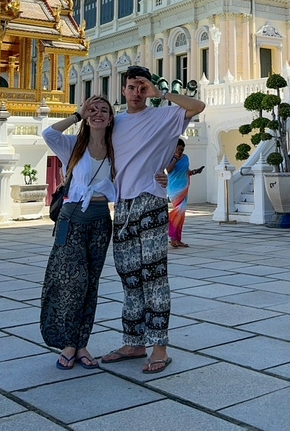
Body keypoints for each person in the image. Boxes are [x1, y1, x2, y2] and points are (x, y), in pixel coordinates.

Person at [102, 66, 205, 374]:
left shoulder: (163, 116)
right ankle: (134, 341)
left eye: (142, 87)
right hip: (122, 206)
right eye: (132, 86)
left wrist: (161, 93)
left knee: (154, 276)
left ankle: (159, 347)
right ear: (123, 90)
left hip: (150, 201)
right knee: (129, 276)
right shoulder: (114, 123)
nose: (137, 92)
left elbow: (198, 106)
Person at [40, 96, 116, 370]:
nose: (98, 114)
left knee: (90, 284)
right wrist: (76, 115)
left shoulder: (114, 147)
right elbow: (48, 133)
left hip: (100, 221)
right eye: (92, 110)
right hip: (71, 219)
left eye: (103, 110)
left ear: (110, 117)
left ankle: (81, 343)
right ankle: (68, 343)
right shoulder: (73, 145)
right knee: (71, 283)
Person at [166, 139, 204, 248]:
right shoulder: (169, 158)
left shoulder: (186, 157)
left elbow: (186, 171)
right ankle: (173, 238)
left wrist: (195, 171)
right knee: (178, 213)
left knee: (181, 215)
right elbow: (167, 171)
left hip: (184, 187)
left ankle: (177, 239)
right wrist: (175, 159)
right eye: (179, 149)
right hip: (174, 189)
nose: (181, 151)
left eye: (182, 149)